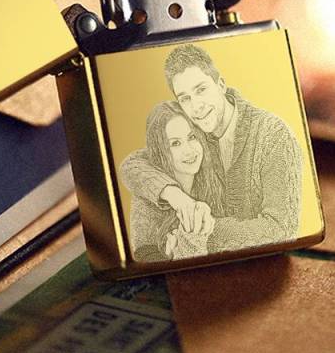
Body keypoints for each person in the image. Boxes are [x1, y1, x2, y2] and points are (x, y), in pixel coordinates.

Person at [121, 44, 302, 254]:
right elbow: (134, 164)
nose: (196, 106)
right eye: (185, 98)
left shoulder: (273, 135)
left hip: (265, 263)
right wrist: (177, 197)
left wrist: (197, 230)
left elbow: (282, 231)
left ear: (221, 85)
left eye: (201, 90)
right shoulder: (194, 132)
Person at [128, 102, 223, 262]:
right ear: (160, 151)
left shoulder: (215, 176)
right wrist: (187, 243)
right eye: (175, 143)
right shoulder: (146, 201)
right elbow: (148, 260)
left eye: (192, 137)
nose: (189, 151)